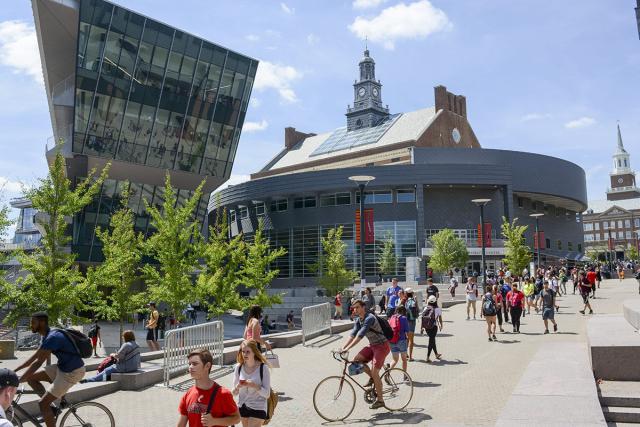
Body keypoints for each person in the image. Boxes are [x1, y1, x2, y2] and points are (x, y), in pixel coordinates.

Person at [15, 312, 86, 427]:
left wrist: (18, 381)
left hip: (72, 372)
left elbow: (38, 363)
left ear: (42, 322)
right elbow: (33, 358)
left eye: (33, 322)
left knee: (43, 403)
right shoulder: (48, 335)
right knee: (31, 378)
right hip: (63, 368)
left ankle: (48, 406)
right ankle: (52, 408)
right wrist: (14, 372)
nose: (31, 325)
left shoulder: (52, 337)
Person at [339, 299, 390, 410]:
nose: (355, 310)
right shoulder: (358, 320)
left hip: (382, 346)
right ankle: (373, 378)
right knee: (357, 360)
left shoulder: (369, 318)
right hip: (373, 345)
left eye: (357, 307)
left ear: (363, 307)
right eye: (354, 308)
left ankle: (380, 400)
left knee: (375, 371)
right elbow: (353, 334)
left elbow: (360, 335)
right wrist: (343, 347)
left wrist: (347, 348)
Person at [177, 348, 240, 427]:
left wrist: (214, 421)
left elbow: (237, 418)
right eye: (189, 364)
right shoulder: (188, 394)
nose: (190, 367)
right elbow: (181, 422)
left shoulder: (223, 394)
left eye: (195, 364)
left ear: (207, 366)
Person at [233, 340, 271, 426]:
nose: (245, 354)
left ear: (254, 352)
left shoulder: (263, 368)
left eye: (248, 352)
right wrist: (237, 387)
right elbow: (234, 393)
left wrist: (254, 386)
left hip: (259, 407)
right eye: (243, 351)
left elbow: (267, 394)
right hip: (242, 406)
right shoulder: (238, 367)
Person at [421, 296, 443, 363]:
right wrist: (441, 325)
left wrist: (421, 328)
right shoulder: (437, 309)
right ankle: (427, 357)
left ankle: (436, 354)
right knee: (431, 341)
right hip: (434, 327)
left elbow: (422, 318)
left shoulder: (426, 308)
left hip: (427, 327)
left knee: (432, 340)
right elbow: (440, 319)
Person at [388, 306, 409, 372]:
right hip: (401, 340)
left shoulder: (391, 317)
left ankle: (387, 372)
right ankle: (405, 377)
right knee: (404, 360)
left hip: (392, 341)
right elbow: (407, 331)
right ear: (403, 311)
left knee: (395, 359)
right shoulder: (404, 318)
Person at [404, 289, 419, 361]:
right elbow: (418, 310)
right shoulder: (413, 301)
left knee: (407, 338)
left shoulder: (406, 301)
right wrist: (416, 302)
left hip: (406, 321)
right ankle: (410, 357)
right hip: (412, 321)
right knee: (411, 340)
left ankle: (405, 354)